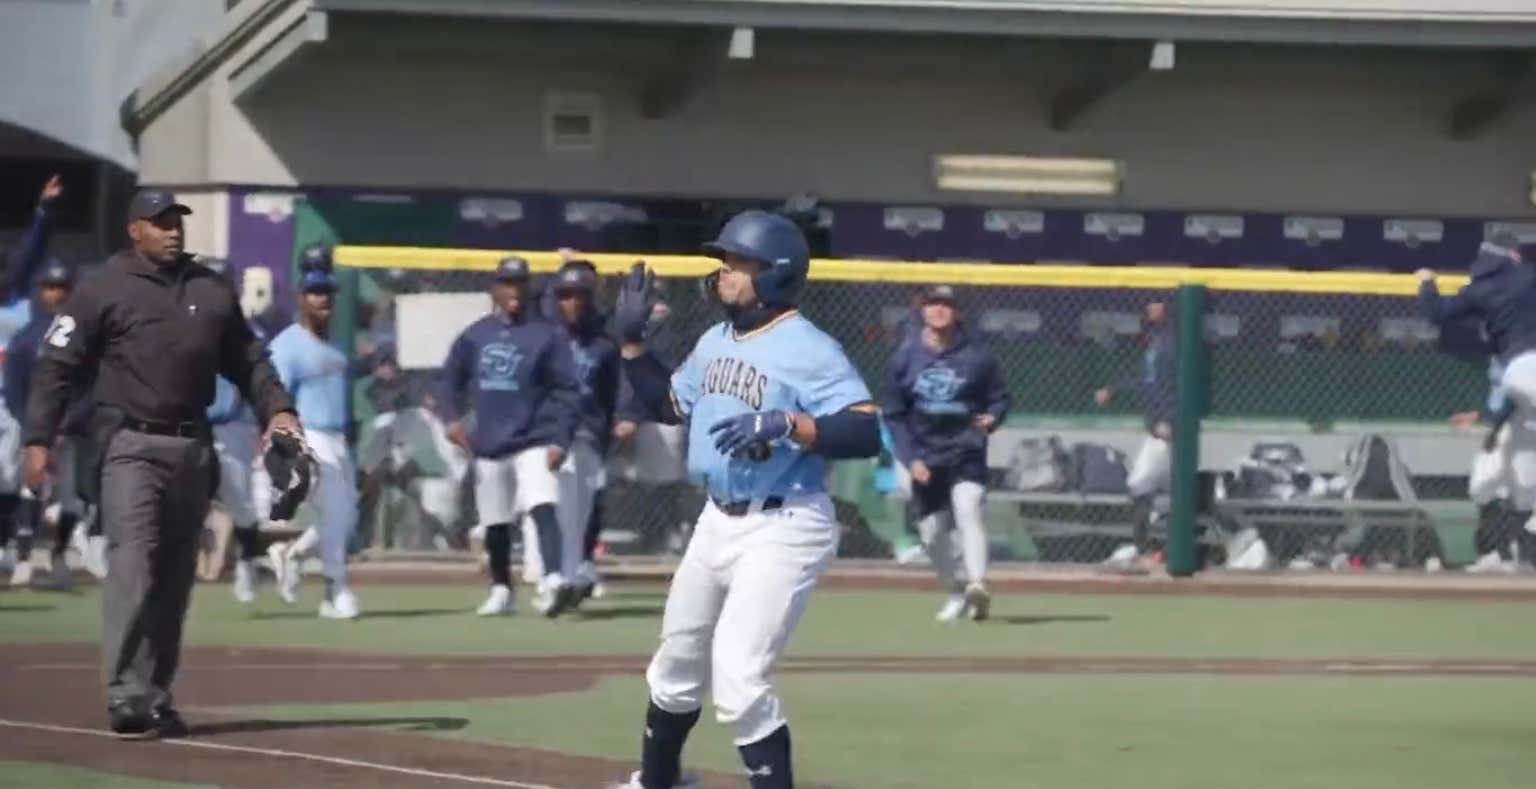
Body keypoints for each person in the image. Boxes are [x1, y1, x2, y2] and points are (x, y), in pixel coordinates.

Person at [609, 210, 880, 789]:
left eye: (737, 262)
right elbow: (668, 407)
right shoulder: (714, 341)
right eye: (723, 261)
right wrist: (632, 348)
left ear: (775, 273)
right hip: (716, 520)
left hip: (784, 523)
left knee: (738, 677)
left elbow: (865, 431)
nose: (723, 272)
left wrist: (789, 423)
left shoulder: (809, 347)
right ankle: (659, 782)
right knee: (675, 664)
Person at [22, 189, 297, 738]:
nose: (173, 230)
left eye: (178, 220)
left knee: (175, 579)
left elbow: (248, 359)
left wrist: (280, 409)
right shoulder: (102, 286)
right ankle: (125, 693)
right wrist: (38, 439)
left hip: (193, 446)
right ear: (134, 230)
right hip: (130, 443)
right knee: (133, 564)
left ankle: (156, 692)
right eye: (160, 221)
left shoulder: (209, 287)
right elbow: (57, 364)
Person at [438, 256, 581, 617]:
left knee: (542, 504)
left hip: (534, 437)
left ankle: (552, 580)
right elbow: (448, 381)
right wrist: (452, 419)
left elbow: (568, 390)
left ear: (529, 288)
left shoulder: (547, 334)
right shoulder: (475, 335)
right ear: (494, 289)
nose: (513, 291)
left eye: (519, 283)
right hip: (488, 441)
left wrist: (561, 439)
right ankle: (501, 589)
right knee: (495, 521)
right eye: (507, 283)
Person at [881, 285, 1008, 622]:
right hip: (924, 454)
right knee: (932, 532)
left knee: (969, 509)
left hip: (965, 449)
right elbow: (893, 415)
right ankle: (955, 590)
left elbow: (999, 398)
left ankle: (978, 585)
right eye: (933, 304)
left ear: (958, 313)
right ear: (922, 311)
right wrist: (911, 460)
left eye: (947, 304)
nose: (939, 309)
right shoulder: (904, 358)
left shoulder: (977, 356)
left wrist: (993, 417)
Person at [1420, 233, 1536, 538]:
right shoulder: (1528, 275)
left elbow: (1436, 313)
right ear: (1512, 255)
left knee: (1519, 461)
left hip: (1516, 373)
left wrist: (1427, 282)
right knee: (1520, 462)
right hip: (1527, 371)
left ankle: (1521, 534)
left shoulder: (1481, 289)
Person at [263, 267, 361, 619]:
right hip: (309, 434)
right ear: (301, 298)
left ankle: (292, 554)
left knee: (345, 517)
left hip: (338, 438)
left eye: (328, 293)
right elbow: (274, 395)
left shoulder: (336, 343)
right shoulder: (287, 344)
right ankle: (336, 590)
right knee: (335, 511)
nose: (323, 300)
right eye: (315, 293)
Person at [5, 258, 88, 588]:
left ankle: (59, 557)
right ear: (40, 291)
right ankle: (23, 560)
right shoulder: (27, 337)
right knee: (29, 489)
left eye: (62, 287)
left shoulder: (84, 335)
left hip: (68, 430)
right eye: (50, 287)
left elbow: (91, 387)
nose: (56, 294)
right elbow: (13, 388)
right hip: (35, 431)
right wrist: (34, 431)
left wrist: (68, 424)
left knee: (70, 498)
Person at [544, 260, 620, 604]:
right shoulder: (544, 335)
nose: (571, 302)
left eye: (579, 295)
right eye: (564, 295)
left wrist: (612, 427)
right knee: (558, 507)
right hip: (551, 434)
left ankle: (575, 572)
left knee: (585, 509)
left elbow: (611, 392)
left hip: (589, 432)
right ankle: (556, 576)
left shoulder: (603, 343)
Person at [0, 175, 64, 578]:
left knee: (12, 479)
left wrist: (44, 211)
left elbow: (29, 254)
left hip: (14, 403)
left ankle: (11, 546)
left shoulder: (21, 304)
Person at [1093, 300, 1175, 565]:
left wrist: (1171, 420)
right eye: (1149, 306)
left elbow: (1181, 385)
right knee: (1149, 488)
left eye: (1157, 306)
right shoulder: (1156, 341)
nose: (1151, 311)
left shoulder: (1176, 342)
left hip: (1169, 429)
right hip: (1155, 428)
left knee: (1145, 486)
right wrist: (1114, 389)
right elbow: (1145, 381)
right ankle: (1153, 548)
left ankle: (1155, 548)